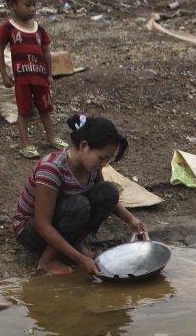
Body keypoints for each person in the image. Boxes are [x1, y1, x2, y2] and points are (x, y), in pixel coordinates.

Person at [12, 114, 148, 276]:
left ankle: (73, 243)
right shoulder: (51, 169)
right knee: (79, 205)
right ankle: (48, 259)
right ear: (84, 146)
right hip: (32, 231)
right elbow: (43, 225)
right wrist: (79, 259)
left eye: (107, 159)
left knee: (108, 191)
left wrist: (131, 219)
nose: (104, 164)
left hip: (63, 221)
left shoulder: (92, 167)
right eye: (102, 158)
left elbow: (104, 195)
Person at [0, 0, 68, 159]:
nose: (32, 9)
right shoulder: (9, 27)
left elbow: (46, 52)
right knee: (24, 111)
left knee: (45, 108)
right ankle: (25, 143)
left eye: (34, 4)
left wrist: (49, 74)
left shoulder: (39, 29)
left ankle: (51, 137)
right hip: (22, 79)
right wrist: (4, 75)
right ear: (12, 5)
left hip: (40, 77)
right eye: (27, 5)